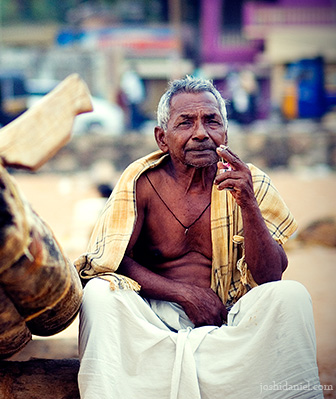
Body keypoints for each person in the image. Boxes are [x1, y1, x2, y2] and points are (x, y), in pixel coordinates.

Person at [75, 76, 323, 398]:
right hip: (154, 324)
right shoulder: (141, 183)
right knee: (98, 294)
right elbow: (113, 260)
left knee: (291, 296)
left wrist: (247, 203)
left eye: (211, 121)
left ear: (225, 132)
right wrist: (183, 294)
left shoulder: (248, 181)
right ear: (162, 138)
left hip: (229, 320)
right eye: (186, 123)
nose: (201, 133)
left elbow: (271, 276)